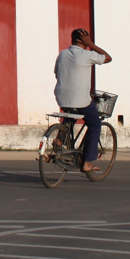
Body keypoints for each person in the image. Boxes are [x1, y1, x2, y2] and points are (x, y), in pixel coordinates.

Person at [54, 28, 111, 173]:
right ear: (83, 40)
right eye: (86, 39)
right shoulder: (87, 55)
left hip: (62, 98)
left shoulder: (62, 54)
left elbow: (57, 73)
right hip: (80, 100)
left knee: (71, 113)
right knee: (95, 124)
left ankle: (60, 140)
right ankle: (87, 162)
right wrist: (91, 44)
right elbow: (107, 58)